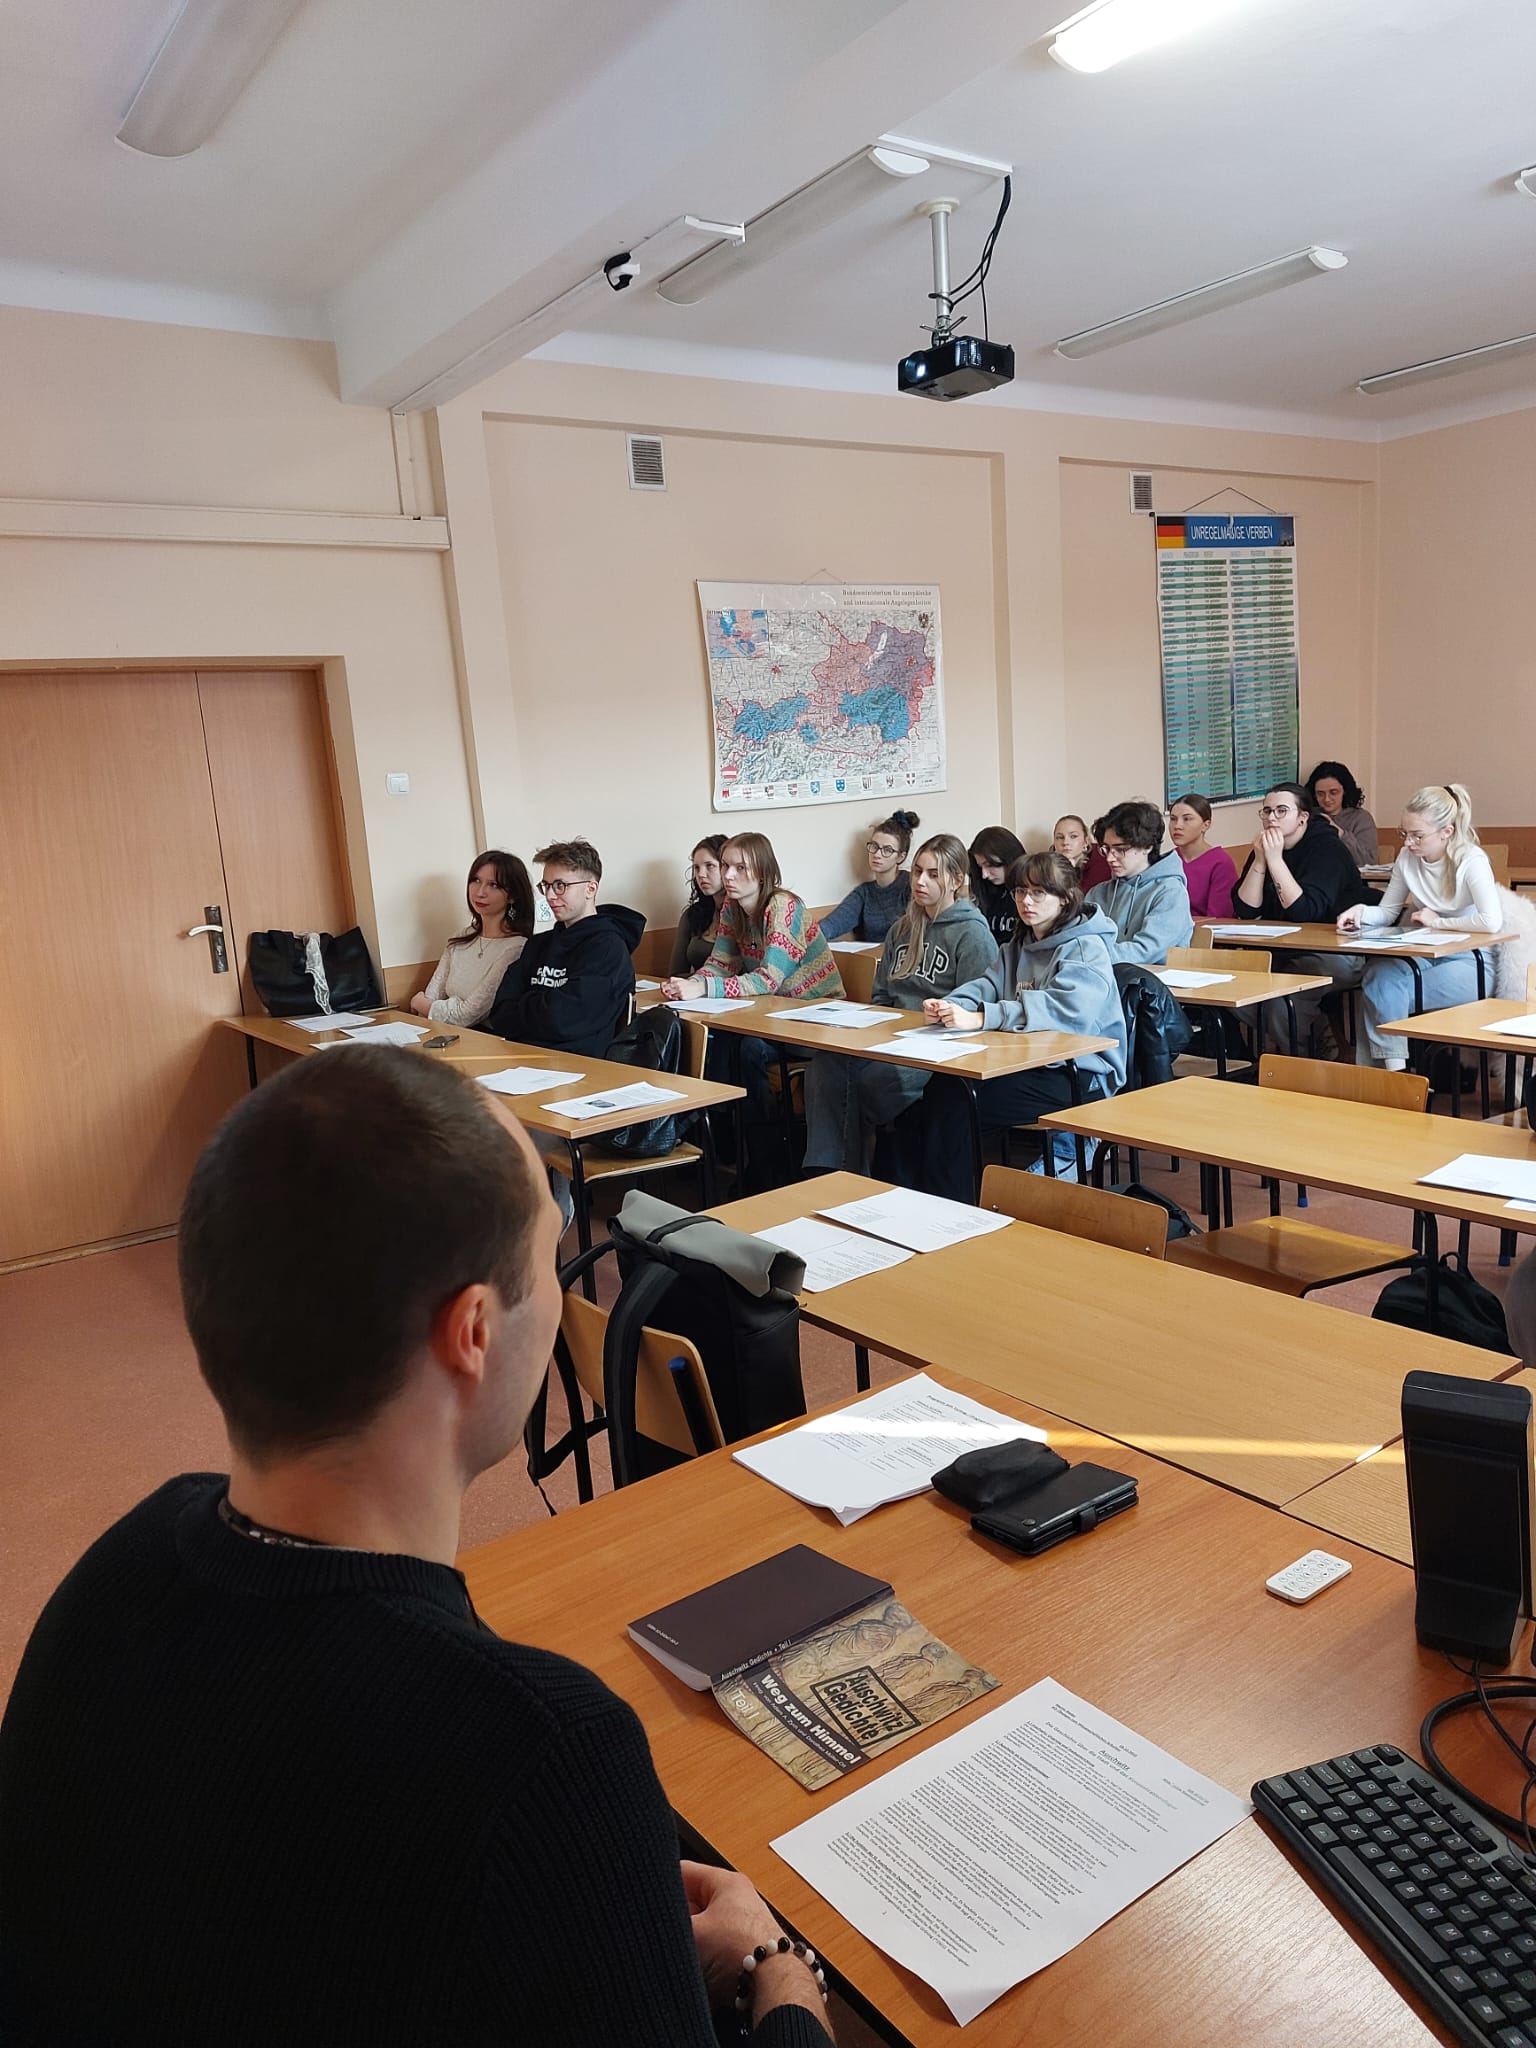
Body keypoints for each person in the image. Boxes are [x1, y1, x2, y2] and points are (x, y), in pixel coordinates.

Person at [0, 1051, 832, 2047]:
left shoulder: (117, 1564)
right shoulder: (546, 1755)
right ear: (472, 1330)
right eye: (550, 1250)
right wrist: (777, 1971)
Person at [916, 850, 1127, 1202]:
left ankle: (953, 1204)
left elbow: (1065, 1013)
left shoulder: (1086, 948)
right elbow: (988, 984)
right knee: (944, 1088)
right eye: (1020, 892)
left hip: (1080, 1073)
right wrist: (952, 1004)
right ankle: (942, 1198)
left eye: (1038, 893)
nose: (1026, 901)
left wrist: (983, 1017)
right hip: (1028, 1062)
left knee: (958, 1101)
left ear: (1065, 898)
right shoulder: (1020, 943)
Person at [802, 834, 998, 1174]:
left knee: (864, 1085)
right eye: (917, 871)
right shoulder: (902, 929)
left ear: (956, 880)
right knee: (825, 1066)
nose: (920, 881)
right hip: (891, 1037)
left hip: (937, 1048)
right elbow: (882, 994)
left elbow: (978, 1006)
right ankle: (826, 1174)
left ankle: (849, 1177)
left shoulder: (972, 934)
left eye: (933, 874)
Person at [661, 832, 842, 1130]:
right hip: (770, 1017)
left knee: (749, 1049)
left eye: (740, 868)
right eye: (725, 866)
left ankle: (761, 1144)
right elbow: (721, 964)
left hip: (815, 1019)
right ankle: (721, 1134)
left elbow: (769, 979)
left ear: (763, 873)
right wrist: (688, 985)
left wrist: (703, 988)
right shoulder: (731, 907)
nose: (728, 875)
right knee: (714, 1039)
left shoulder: (783, 907)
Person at [1338, 782, 1504, 1068]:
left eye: (1418, 836)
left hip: (1472, 959)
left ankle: (1393, 1076)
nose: (1408, 843)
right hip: (1426, 950)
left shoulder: (1471, 860)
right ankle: (1397, 1073)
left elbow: (1491, 922)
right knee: (1378, 976)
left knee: (1384, 992)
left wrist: (1437, 921)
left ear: (1446, 832)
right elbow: (1388, 911)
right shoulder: (1407, 858)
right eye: (1404, 834)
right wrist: (1360, 913)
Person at [486, 838, 642, 1056]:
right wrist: (545, 1006)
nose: (550, 896)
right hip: (521, 1055)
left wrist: (525, 1003)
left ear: (590, 889)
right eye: (546, 886)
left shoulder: (608, 949)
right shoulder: (539, 944)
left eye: (560, 886)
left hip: (578, 1064)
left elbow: (564, 1021)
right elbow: (501, 1013)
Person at [410, 848, 536, 1028]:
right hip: (447, 1032)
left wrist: (420, 1002)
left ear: (513, 896)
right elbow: (431, 999)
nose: (480, 892)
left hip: (487, 1039)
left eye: (493, 885)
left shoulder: (516, 947)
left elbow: (466, 1016)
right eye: (476, 880)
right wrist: (431, 1007)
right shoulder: (460, 938)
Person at [1234, 783, 1373, 925]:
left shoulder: (1328, 849)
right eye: (1267, 811)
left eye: (1281, 811)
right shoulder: (1266, 846)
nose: (1271, 818)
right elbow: (1245, 911)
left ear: (1303, 817)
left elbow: (1303, 912)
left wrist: (1275, 861)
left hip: (1330, 932)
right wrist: (1259, 861)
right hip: (1281, 933)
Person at [1086, 799, 1193, 965]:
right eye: (1106, 849)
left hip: (1151, 978)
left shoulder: (1170, 892)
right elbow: (1078, 938)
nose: (1109, 858)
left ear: (1147, 846)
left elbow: (1144, 951)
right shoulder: (1098, 893)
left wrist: (1086, 957)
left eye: (1120, 849)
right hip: (1103, 973)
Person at [819, 809, 919, 942]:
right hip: (872, 955)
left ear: (901, 857)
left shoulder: (913, 885)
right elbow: (832, 924)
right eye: (874, 846)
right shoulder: (864, 893)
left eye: (887, 850)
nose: (877, 854)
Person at [1167, 794, 1238, 920]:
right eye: (1173, 819)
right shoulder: (1167, 860)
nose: (1177, 826)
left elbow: (1219, 918)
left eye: (1187, 819)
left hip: (1204, 930)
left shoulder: (1221, 863)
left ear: (1205, 825)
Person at [669, 833, 728, 976]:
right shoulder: (693, 915)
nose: (701, 874)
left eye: (710, 866)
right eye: (696, 868)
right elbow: (676, 974)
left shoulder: (744, 915)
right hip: (694, 988)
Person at [1306, 759, 1379, 869]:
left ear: (1345, 791)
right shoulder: (1307, 817)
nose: (1327, 799)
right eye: (1320, 794)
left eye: (1333, 792)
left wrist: (1340, 833)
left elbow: (1368, 861)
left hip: (1349, 876)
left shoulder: (1361, 818)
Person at [967, 826, 1026, 947]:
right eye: (980, 867)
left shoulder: (1029, 893)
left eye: (990, 865)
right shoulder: (986, 890)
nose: (984, 875)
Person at [1055, 814, 1112, 892]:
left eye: (1073, 836)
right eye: (1060, 837)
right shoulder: (1048, 865)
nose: (1065, 842)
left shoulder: (1101, 860)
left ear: (1086, 841)